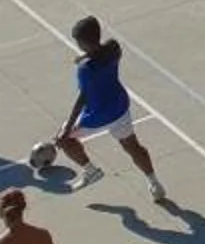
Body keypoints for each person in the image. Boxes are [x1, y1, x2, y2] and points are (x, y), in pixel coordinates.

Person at [45, 17, 167, 206]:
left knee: (65, 140)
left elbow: (82, 98)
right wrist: (85, 56)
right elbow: (102, 51)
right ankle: (154, 183)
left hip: (97, 116)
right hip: (119, 108)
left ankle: (90, 170)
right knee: (133, 147)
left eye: (78, 41)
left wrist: (66, 129)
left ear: (85, 42)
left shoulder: (85, 70)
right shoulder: (113, 49)